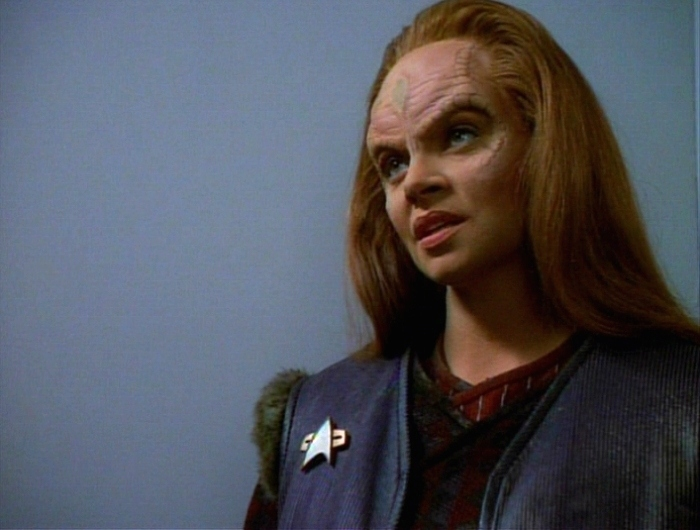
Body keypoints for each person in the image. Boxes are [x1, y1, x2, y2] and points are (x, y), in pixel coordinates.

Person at [245, 0, 700, 528]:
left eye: (460, 133)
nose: (415, 182)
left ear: (547, 146)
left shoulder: (682, 406)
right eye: (393, 163)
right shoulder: (314, 417)